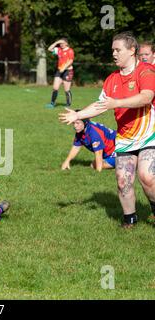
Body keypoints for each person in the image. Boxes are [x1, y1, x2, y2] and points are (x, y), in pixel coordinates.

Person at [59, 32, 155, 229]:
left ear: (132, 51)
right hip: (125, 137)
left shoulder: (146, 71)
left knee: (147, 177)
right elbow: (101, 105)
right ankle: (130, 221)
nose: (113, 53)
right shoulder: (111, 79)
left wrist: (116, 103)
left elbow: (146, 97)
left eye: (117, 49)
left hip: (149, 134)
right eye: (112, 50)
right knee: (122, 180)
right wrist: (78, 115)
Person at [45, 38, 74, 109]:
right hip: (59, 71)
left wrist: (64, 68)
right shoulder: (59, 50)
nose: (61, 44)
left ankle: (68, 104)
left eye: (62, 43)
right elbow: (49, 49)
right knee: (55, 88)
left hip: (68, 71)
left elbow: (70, 61)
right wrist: (57, 42)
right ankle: (52, 103)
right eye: (60, 43)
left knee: (66, 89)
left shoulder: (70, 51)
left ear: (66, 43)